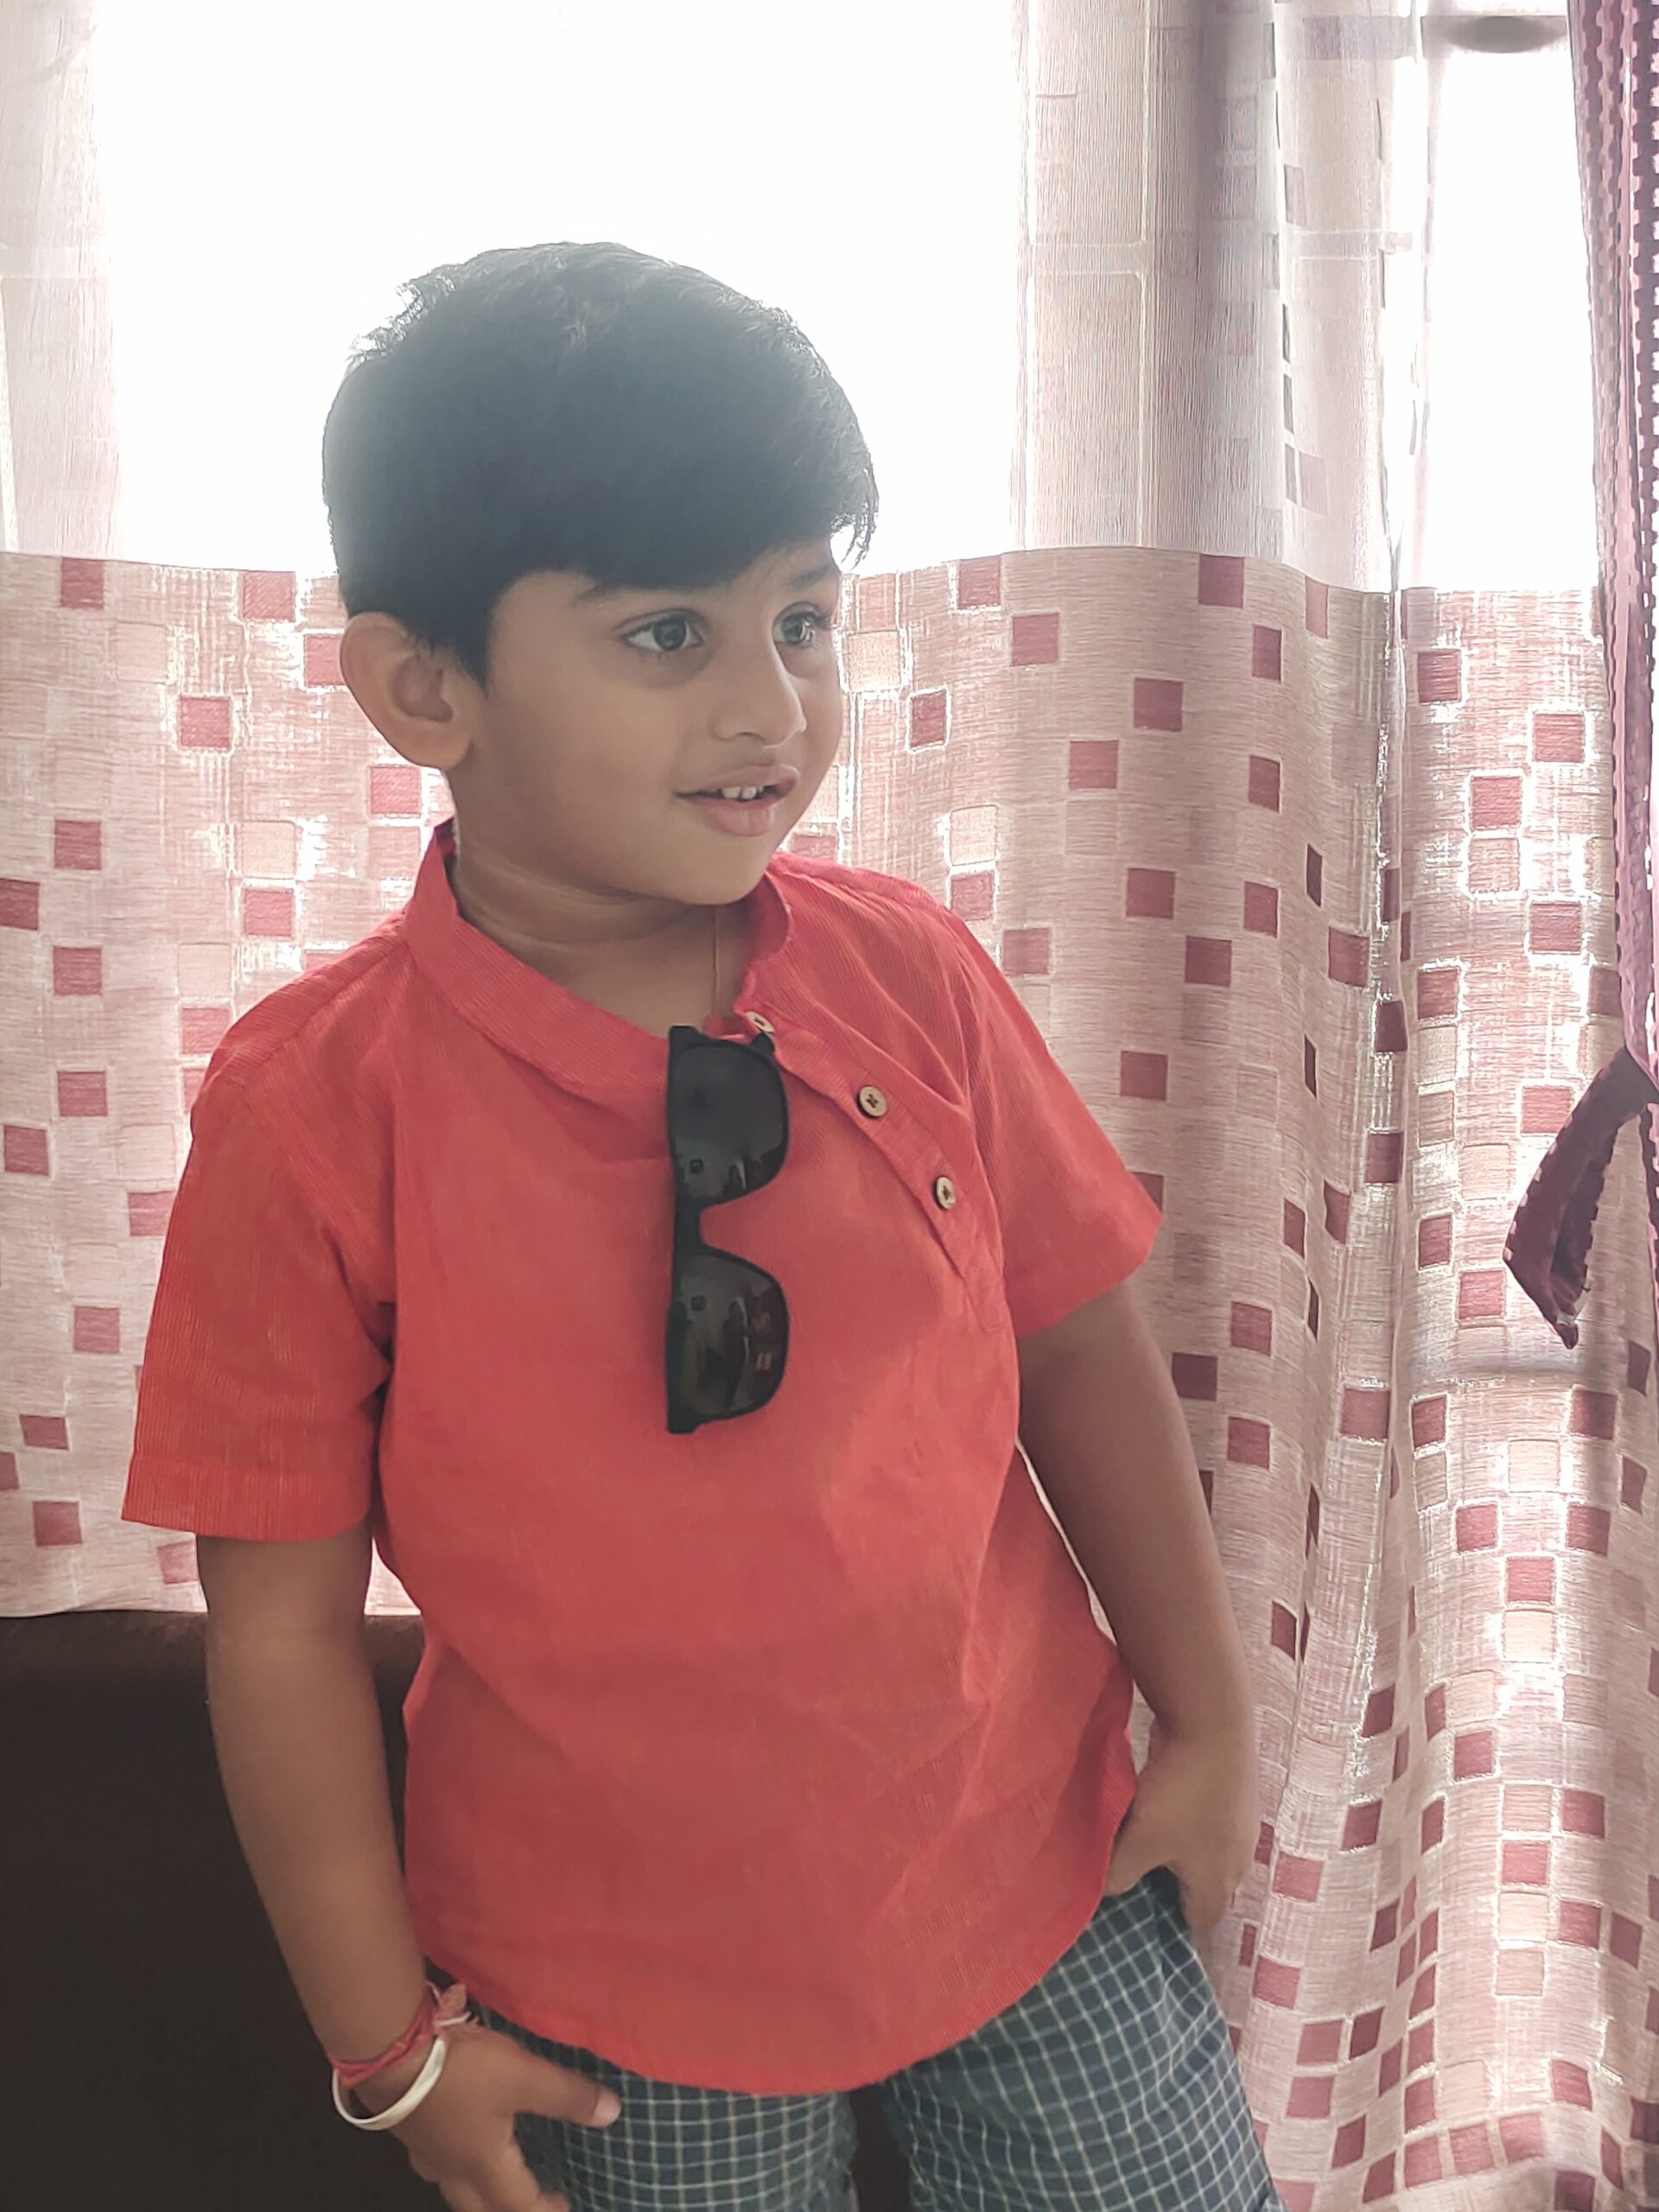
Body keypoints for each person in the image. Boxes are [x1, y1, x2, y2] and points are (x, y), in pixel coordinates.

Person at [123, 241, 1285, 2212]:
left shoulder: (911, 975)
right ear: (423, 687)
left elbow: (1080, 1344)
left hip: (1036, 1872)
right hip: (606, 1989)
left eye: (804, 619)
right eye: (669, 633)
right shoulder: (312, 1109)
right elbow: (286, 1632)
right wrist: (391, 2051)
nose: (773, 706)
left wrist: (1213, 1714)